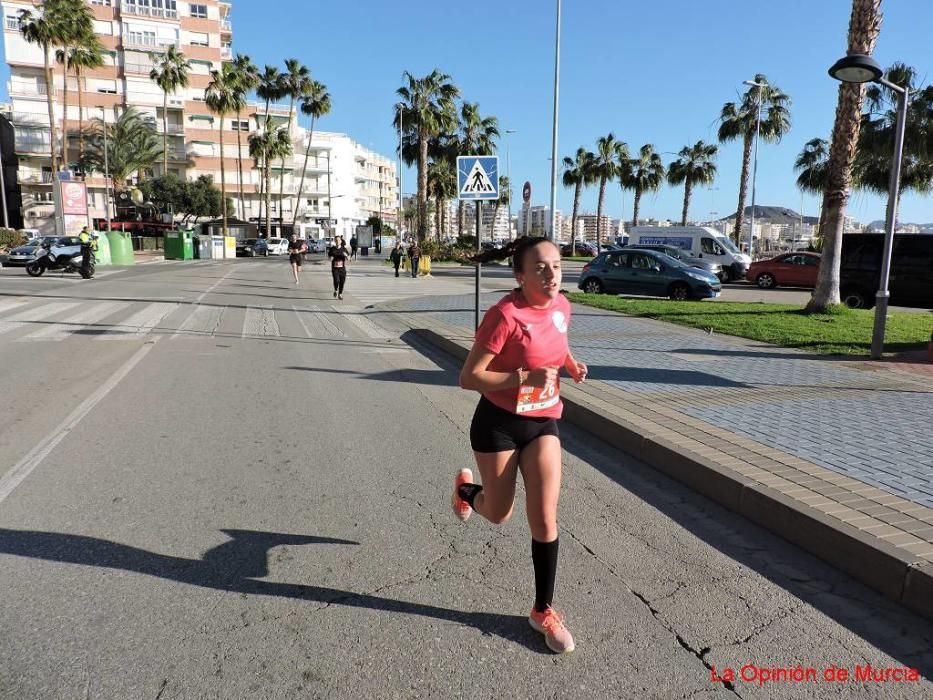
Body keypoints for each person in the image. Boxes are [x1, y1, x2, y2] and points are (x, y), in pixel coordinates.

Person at [453, 236, 588, 655]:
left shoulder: (563, 306)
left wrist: (570, 365)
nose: (551, 274)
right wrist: (520, 379)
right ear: (520, 276)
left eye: (557, 266)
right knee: (499, 513)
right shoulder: (504, 315)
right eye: (541, 268)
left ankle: (542, 610)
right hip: (499, 425)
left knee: (545, 517)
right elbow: (469, 377)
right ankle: (465, 492)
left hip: (544, 420)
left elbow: (558, 343)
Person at [328, 235, 351, 300]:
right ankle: (336, 290)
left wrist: (346, 255)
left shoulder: (344, 249)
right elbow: (329, 257)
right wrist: (330, 258)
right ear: (335, 241)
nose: (337, 241)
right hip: (335, 268)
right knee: (336, 280)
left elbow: (349, 258)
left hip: (342, 268)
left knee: (342, 281)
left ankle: (340, 294)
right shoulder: (332, 249)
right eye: (336, 240)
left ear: (341, 241)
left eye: (338, 240)